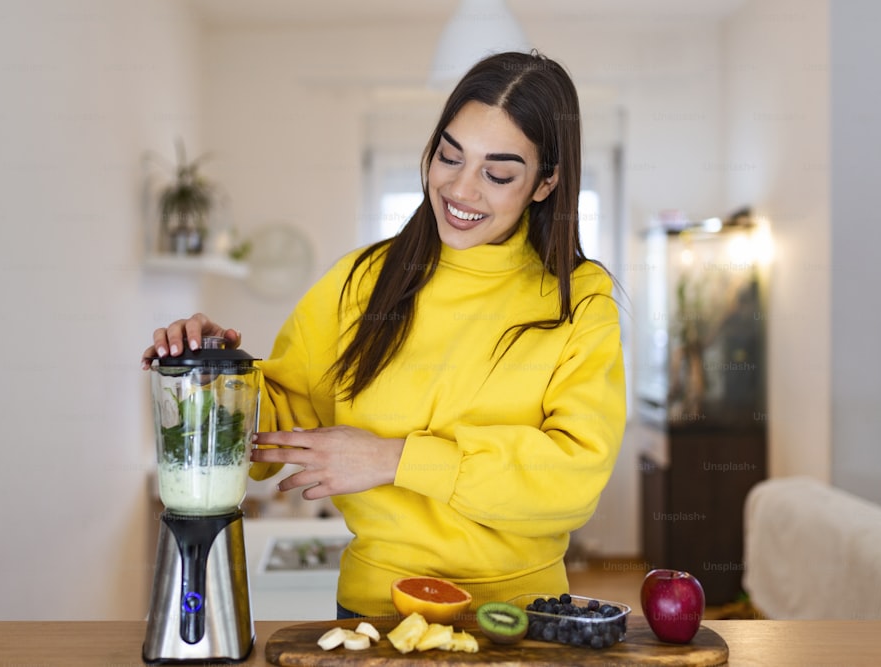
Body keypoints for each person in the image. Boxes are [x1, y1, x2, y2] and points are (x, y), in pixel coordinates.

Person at [141, 50, 627, 619]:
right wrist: (214, 373)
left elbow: (573, 476)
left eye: (497, 174)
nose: (462, 190)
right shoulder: (360, 280)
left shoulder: (580, 298)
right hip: (376, 612)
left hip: (525, 616)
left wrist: (396, 460)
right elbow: (274, 430)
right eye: (449, 157)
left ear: (546, 183)